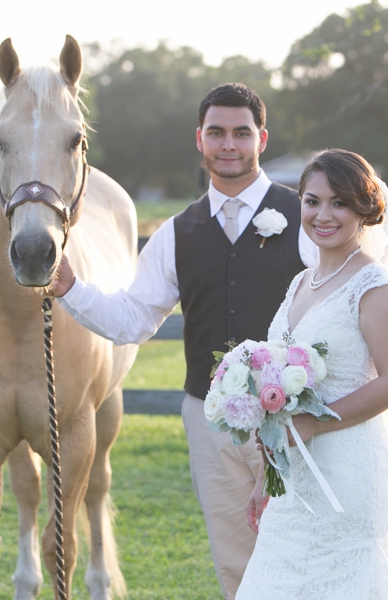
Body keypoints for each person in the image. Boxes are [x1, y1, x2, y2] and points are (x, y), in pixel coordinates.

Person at [50, 83, 318, 599]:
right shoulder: (177, 232)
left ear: (261, 138)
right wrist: (71, 288)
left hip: (297, 419)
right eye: (216, 133)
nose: (229, 145)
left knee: (303, 550)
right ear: (200, 140)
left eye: (242, 133)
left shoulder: (307, 216)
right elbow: (133, 319)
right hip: (210, 420)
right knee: (234, 560)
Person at [235, 149, 388, 599]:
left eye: (340, 203)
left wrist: (315, 422)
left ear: (364, 211)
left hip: (348, 466)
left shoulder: (374, 287)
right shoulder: (301, 282)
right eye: (312, 201)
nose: (323, 214)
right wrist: (264, 478)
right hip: (292, 472)